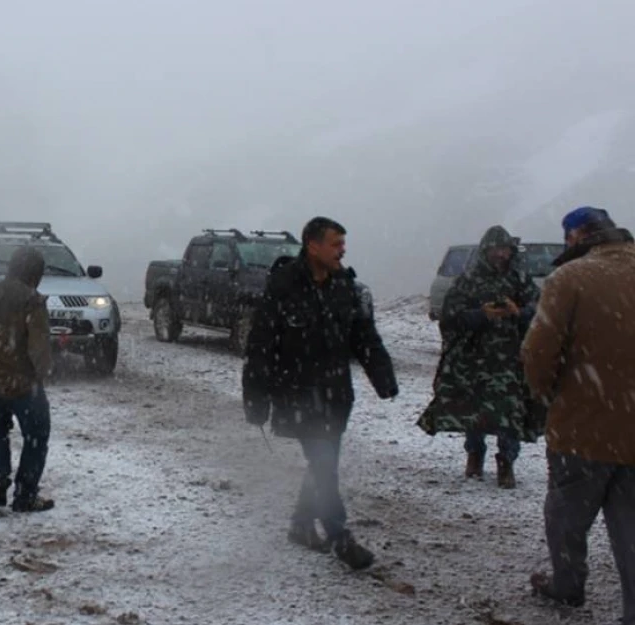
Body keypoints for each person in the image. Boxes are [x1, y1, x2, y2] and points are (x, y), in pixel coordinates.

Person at [242, 216, 398, 570]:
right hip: (297, 396)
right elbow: (260, 346)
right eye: (335, 244)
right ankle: (339, 537)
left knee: (323, 463)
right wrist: (256, 397)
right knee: (325, 465)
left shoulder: (343, 285)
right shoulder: (283, 287)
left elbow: (363, 335)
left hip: (336, 396)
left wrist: (383, 376)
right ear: (312, 245)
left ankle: (300, 523)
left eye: (343, 244)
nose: (342, 250)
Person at [521, 206, 635, 623]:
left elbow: (537, 352)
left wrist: (550, 394)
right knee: (631, 528)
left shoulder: (570, 278)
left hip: (582, 429)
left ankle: (567, 586)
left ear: (576, 236)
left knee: (566, 514)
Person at [417, 225, 542, 488]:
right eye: (496, 249)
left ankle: (506, 462)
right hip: (473, 359)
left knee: (510, 411)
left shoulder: (519, 279)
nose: (500, 255)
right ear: (486, 251)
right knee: (475, 409)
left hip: (510, 358)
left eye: (505, 249)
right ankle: (474, 454)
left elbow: (538, 309)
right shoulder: (468, 281)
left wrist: (517, 312)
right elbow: (451, 317)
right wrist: (480, 315)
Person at [0, 246, 55, 513]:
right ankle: (25, 495)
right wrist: (43, 374)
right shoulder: (31, 300)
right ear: (35, 272)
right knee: (36, 435)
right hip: (24, 385)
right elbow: (38, 348)